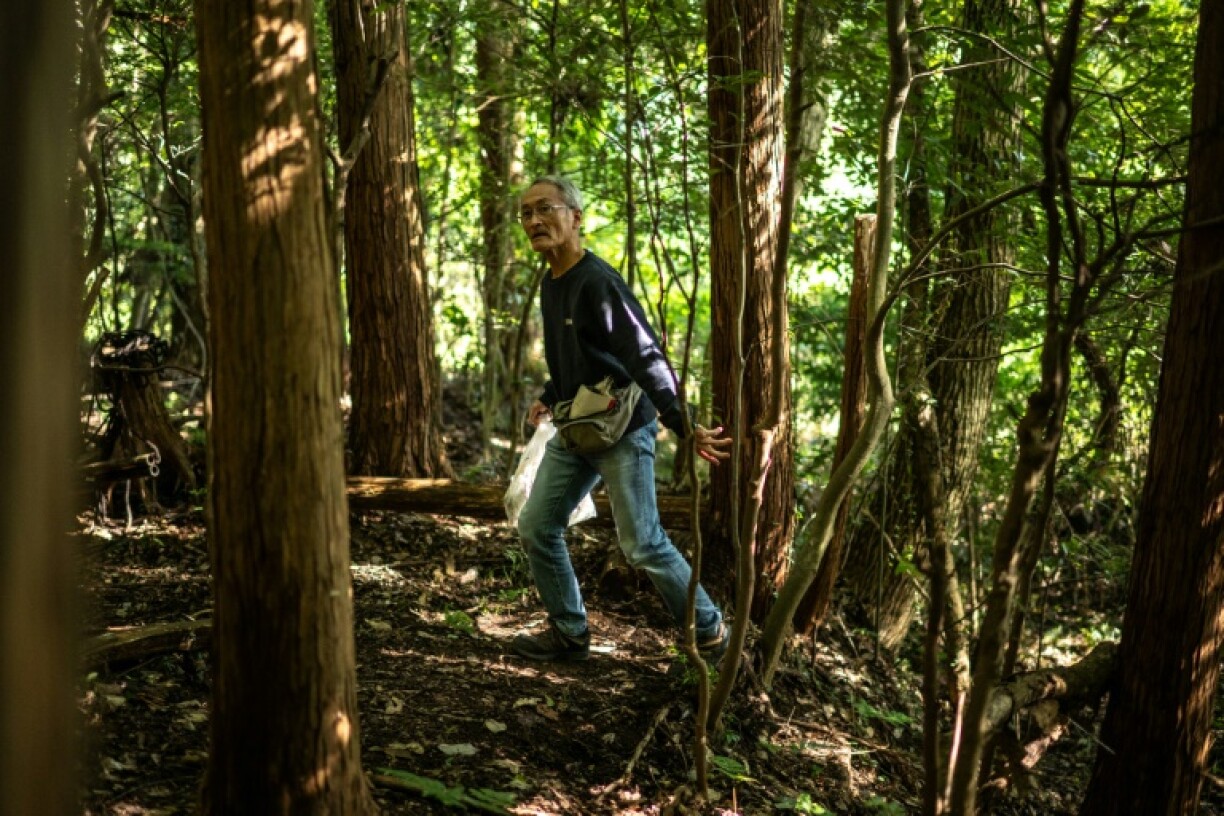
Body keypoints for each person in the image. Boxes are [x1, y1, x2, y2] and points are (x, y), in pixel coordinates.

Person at [510, 175, 733, 663]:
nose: (533, 221)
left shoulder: (599, 281)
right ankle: (569, 635)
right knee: (537, 526)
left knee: (642, 543)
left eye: (544, 209)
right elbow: (578, 353)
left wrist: (682, 421)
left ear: (575, 217)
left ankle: (712, 632)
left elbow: (643, 354)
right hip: (576, 426)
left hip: (623, 426)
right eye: (526, 213)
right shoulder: (552, 283)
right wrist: (550, 393)